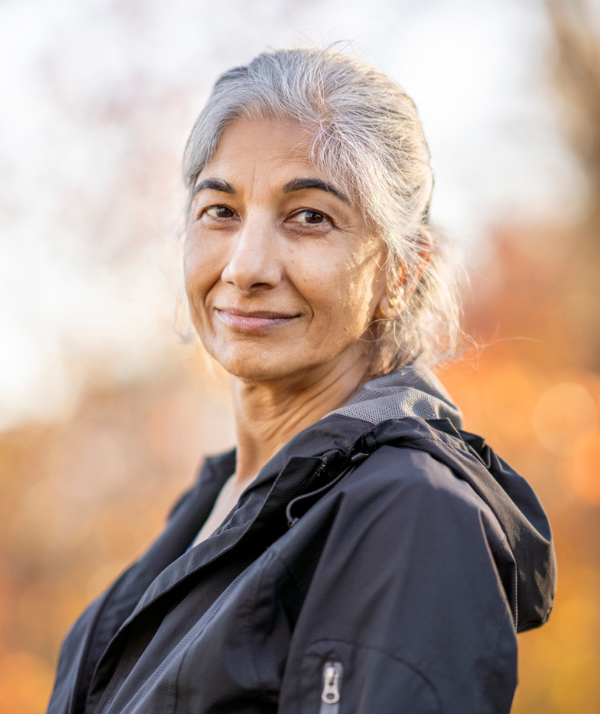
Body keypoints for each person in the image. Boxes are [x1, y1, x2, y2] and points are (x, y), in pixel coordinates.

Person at [46, 47, 556, 714]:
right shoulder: (207, 511)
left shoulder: (409, 512)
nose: (246, 266)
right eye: (220, 211)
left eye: (309, 216)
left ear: (400, 273)